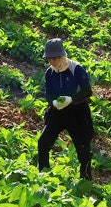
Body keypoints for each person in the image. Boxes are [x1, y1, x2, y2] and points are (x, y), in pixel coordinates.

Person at [37, 38, 94, 181]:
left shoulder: (76, 69)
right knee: (43, 142)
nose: (53, 61)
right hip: (58, 111)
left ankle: (86, 177)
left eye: (56, 58)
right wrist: (54, 102)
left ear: (62, 56)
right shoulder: (49, 73)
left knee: (82, 145)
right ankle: (43, 173)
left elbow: (87, 91)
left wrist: (72, 100)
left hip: (77, 111)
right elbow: (48, 94)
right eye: (50, 58)